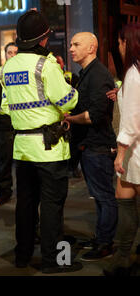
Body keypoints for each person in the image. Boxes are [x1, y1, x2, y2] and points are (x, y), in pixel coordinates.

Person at [0, 9, 82, 273]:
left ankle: (22, 256)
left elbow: (4, 107)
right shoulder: (45, 65)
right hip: (49, 149)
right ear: (43, 39)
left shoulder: (7, 67)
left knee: (25, 203)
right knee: (51, 206)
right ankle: (52, 260)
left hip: (22, 148)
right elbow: (67, 100)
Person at [65, 32, 118, 262]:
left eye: (76, 44)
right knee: (99, 196)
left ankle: (106, 243)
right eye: (71, 44)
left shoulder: (97, 75)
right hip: (90, 147)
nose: (71, 48)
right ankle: (101, 238)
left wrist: (68, 118)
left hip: (98, 147)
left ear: (91, 47)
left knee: (105, 197)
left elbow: (94, 116)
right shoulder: (86, 74)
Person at [104, 23, 140, 276]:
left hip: (135, 151)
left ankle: (123, 259)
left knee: (126, 199)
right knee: (123, 197)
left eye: (120, 42)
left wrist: (120, 152)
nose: (118, 46)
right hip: (135, 151)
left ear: (128, 42)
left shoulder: (133, 74)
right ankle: (123, 256)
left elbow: (131, 121)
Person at [0, 42, 17, 206]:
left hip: (22, 122)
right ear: (5, 54)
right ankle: (4, 192)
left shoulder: (24, 71)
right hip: (6, 122)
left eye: (16, 52)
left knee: (25, 162)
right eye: (10, 52)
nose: (13, 55)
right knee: (5, 160)